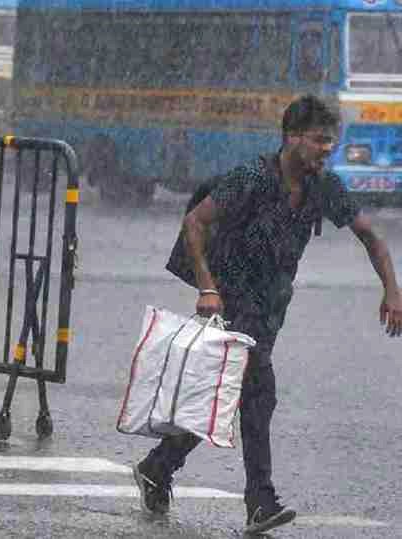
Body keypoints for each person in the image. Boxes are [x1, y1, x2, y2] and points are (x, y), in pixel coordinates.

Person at [131, 94, 402, 535]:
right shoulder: (252, 177)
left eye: (331, 142)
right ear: (292, 137)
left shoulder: (324, 186)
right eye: (319, 140)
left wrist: (392, 290)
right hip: (231, 301)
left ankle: (157, 467)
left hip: (270, 308)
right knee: (259, 394)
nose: (326, 150)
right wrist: (207, 287)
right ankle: (260, 501)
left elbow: (370, 236)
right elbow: (195, 223)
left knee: (225, 393)